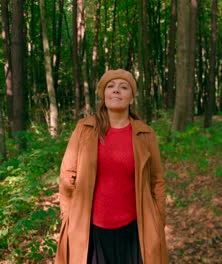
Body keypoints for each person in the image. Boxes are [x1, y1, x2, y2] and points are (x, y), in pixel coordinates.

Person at [55, 69, 168, 264]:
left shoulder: (145, 134)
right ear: (104, 95)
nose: (116, 91)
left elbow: (157, 180)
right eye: (111, 86)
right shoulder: (85, 129)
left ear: (131, 98)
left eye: (123, 87)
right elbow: (67, 175)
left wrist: (158, 220)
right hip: (91, 231)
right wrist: (68, 216)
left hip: (135, 230)